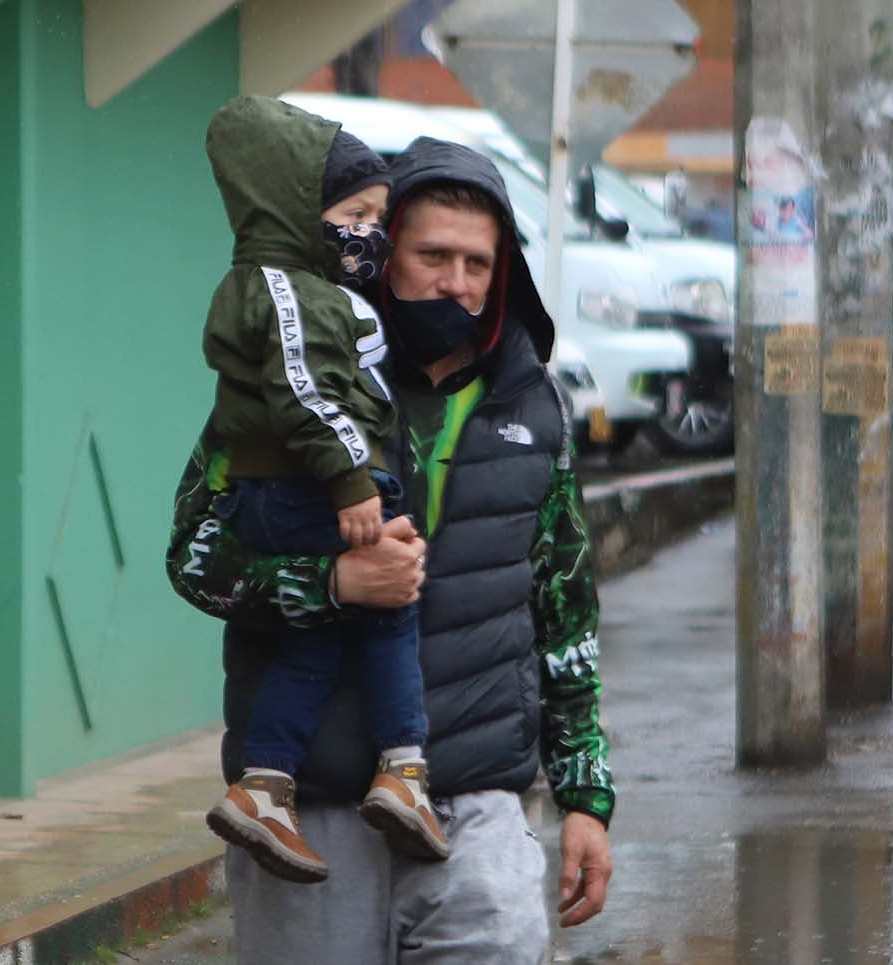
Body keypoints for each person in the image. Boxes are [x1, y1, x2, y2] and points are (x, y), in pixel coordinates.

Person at [167, 134, 614, 964]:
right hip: (311, 808)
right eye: (432, 255)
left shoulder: (537, 406)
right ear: (378, 257)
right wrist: (328, 581)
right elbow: (194, 555)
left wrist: (586, 797)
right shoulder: (287, 385)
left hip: (474, 802)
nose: (457, 283)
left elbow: (566, 613)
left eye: (478, 263)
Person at [198, 95, 448, 885]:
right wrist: (354, 480)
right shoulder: (282, 287)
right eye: (354, 212)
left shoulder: (293, 286)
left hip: (296, 487)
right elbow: (309, 391)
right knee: (388, 609)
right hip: (305, 489)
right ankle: (404, 769)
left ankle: (265, 786)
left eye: (380, 217)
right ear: (298, 211)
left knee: (313, 643)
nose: (368, 233)